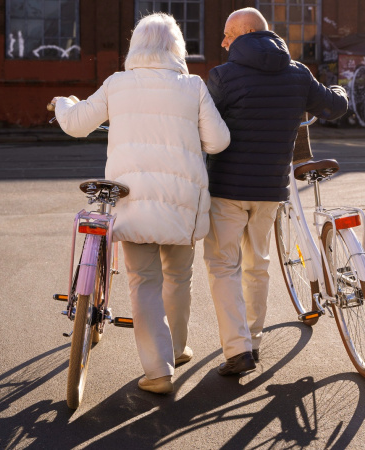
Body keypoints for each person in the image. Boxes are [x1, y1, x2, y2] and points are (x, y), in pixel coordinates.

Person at [51, 13, 230, 394]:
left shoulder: (117, 84)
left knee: (144, 282)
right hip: (182, 201)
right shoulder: (192, 86)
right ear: (176, 47)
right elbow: (218, 142)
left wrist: (64, 104)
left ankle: (158, 370)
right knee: (179, 276)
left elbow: (78, 123)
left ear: (136, 45)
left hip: (132, 199)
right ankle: (178, 349)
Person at [203, 7, 348, 376]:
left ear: (244, 33)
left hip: (227, 189)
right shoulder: (298, 74)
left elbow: (200, 125)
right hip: (271, 190)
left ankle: (239, 351)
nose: (222, 42)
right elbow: (333, 106)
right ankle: (252, 340)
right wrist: (339, 90)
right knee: (258, 266)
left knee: (224, 266)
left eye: (227, 34)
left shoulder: (223, 76)